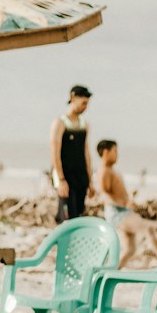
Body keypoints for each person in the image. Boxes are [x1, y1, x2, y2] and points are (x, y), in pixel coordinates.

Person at [96, 139, 157, 268]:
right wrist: (124, 204)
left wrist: (128, 198)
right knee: (148, 228)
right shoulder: (104, 171)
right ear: (106, 152)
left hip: (123, 212)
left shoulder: (111, 170)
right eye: (115, 151)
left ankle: (114, 272)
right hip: (118, 213)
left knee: (130, 249)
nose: (117, 154)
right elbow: (105, 194)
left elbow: (115, 192)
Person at [50, 86, 94, 223]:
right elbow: (55, 153)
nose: (85, 107)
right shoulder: (60, 123)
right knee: (66, 217)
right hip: (66, 177)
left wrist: (90, 181)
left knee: (78, 215)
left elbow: (86, 153)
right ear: (73, 99)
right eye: (83, 103)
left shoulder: (84, 125)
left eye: (87, 104)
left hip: (80, 176)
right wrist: (61, 180)